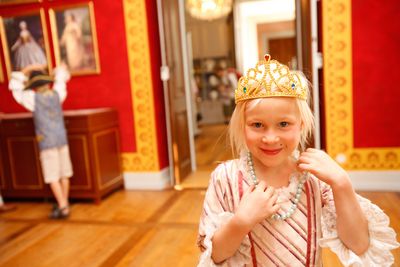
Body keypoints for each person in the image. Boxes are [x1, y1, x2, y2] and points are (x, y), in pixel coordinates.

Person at [197, 54, 399, 266]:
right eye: (257, 125)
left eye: (284, 124)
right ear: (242, 126)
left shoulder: (313, 178)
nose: (270, 138)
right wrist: (241, 221)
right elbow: (215, 256)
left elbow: (359, 245)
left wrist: (341, 183)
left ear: (301, 125)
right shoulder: (224, 179)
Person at [8, 63, 73, 219]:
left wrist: (28, 68)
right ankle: (64, 203)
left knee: (52, 175)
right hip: (61, 139)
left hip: (47, 141)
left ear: (33, 85)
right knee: (64, 173)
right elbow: (61, 77)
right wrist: (56, 69)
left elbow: (15, 86)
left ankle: (63, 206)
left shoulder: (32, 98)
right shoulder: (57, 93)